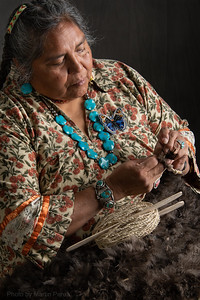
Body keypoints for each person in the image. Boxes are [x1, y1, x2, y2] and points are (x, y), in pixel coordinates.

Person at [0, 0, 199, 278]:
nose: (80, 68)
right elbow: (19, 225)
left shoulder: (119, 76)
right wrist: (111, 189)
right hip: (77, 268)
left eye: (81, 49)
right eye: (58, 61)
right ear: (23, 67)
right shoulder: (10, 117)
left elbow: (181, 132)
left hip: (161, 232)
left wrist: (178, 154)